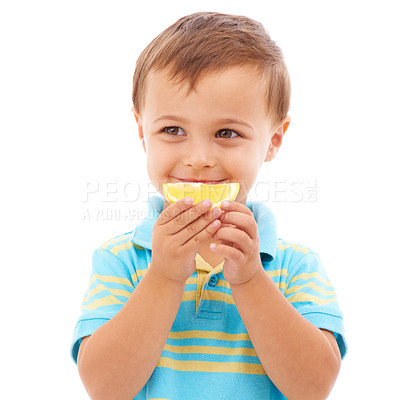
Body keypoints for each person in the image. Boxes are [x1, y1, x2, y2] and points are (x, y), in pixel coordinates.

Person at [71, 11, 347, 400]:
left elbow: (313, 388)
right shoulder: (121, 260)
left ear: (274, 141)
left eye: (227, 132)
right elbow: (104, 388)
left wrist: (250, 279)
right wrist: (164, 276)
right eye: (173, 130)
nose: (198, 157)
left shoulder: (295, 266)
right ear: (142, 133)